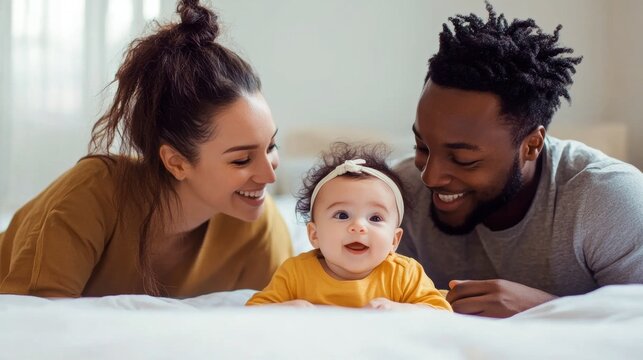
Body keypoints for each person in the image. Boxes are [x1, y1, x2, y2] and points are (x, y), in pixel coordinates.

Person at [0, 0, 292, 297]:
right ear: (177, 163)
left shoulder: (257, 223)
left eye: (271, 146)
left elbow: (279, 322)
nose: (269, 176)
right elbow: (33, 326)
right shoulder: (90, 196)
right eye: (241, 160)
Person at [395, 2, 643, 318]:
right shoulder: (399, 194)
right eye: (422, 147)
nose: (430, 177)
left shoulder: (605, 199)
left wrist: (547, 310)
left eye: (463, 159)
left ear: (531, 146)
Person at [246, 143, 452, 311]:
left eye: (375, 218)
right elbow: (252, 312)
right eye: (342, 215)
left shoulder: (404, 275)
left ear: (394, 240)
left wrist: (399, 310)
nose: (358, 226)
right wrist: (288, 308)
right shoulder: (296, 273)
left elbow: (441, 313)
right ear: (314, 234)